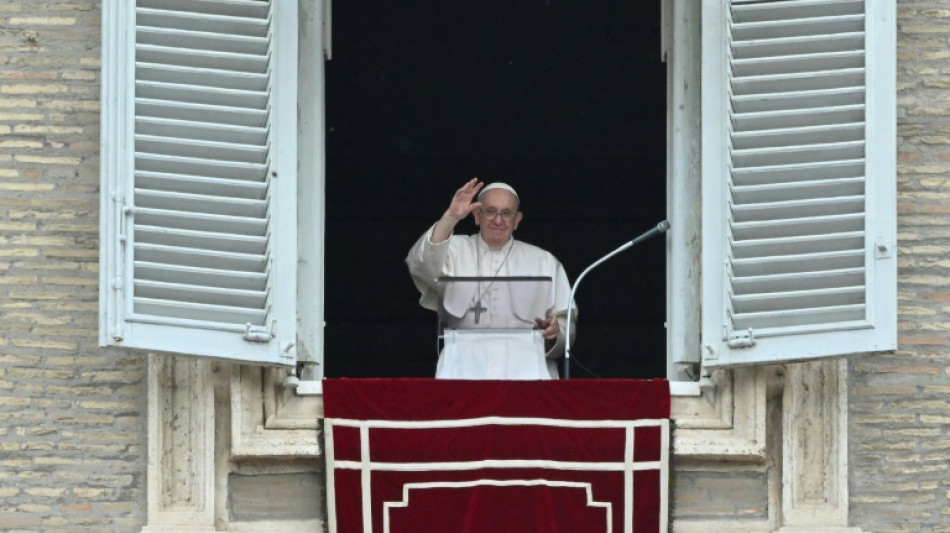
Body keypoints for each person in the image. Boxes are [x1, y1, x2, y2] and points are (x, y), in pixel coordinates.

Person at [406, 178, 576, 379]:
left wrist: (555, 333)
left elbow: (567, 326)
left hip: (526, 369)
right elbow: (421, 263)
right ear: (477, 215)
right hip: (463, 366)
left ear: (517, 220)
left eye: (506, 213)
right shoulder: (453, 249)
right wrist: (450, 217)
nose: (498, 219)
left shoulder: (544, 261)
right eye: (490, 211)